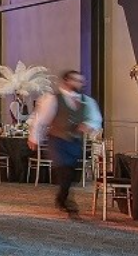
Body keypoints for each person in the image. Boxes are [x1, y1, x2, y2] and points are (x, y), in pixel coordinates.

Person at [28, 70, 103, 218]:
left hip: (75, 142)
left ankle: (62, 198)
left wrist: (88, 125)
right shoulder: (52, 99)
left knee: (72, 173)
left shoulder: (87, 101)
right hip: (57, 141)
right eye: (76, 80)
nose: (79, 83)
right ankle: (66, 201)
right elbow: (40, 119)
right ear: (66, 81)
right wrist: (34, 138)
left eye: (81, 81)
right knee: (64, 170)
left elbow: (96, 118)